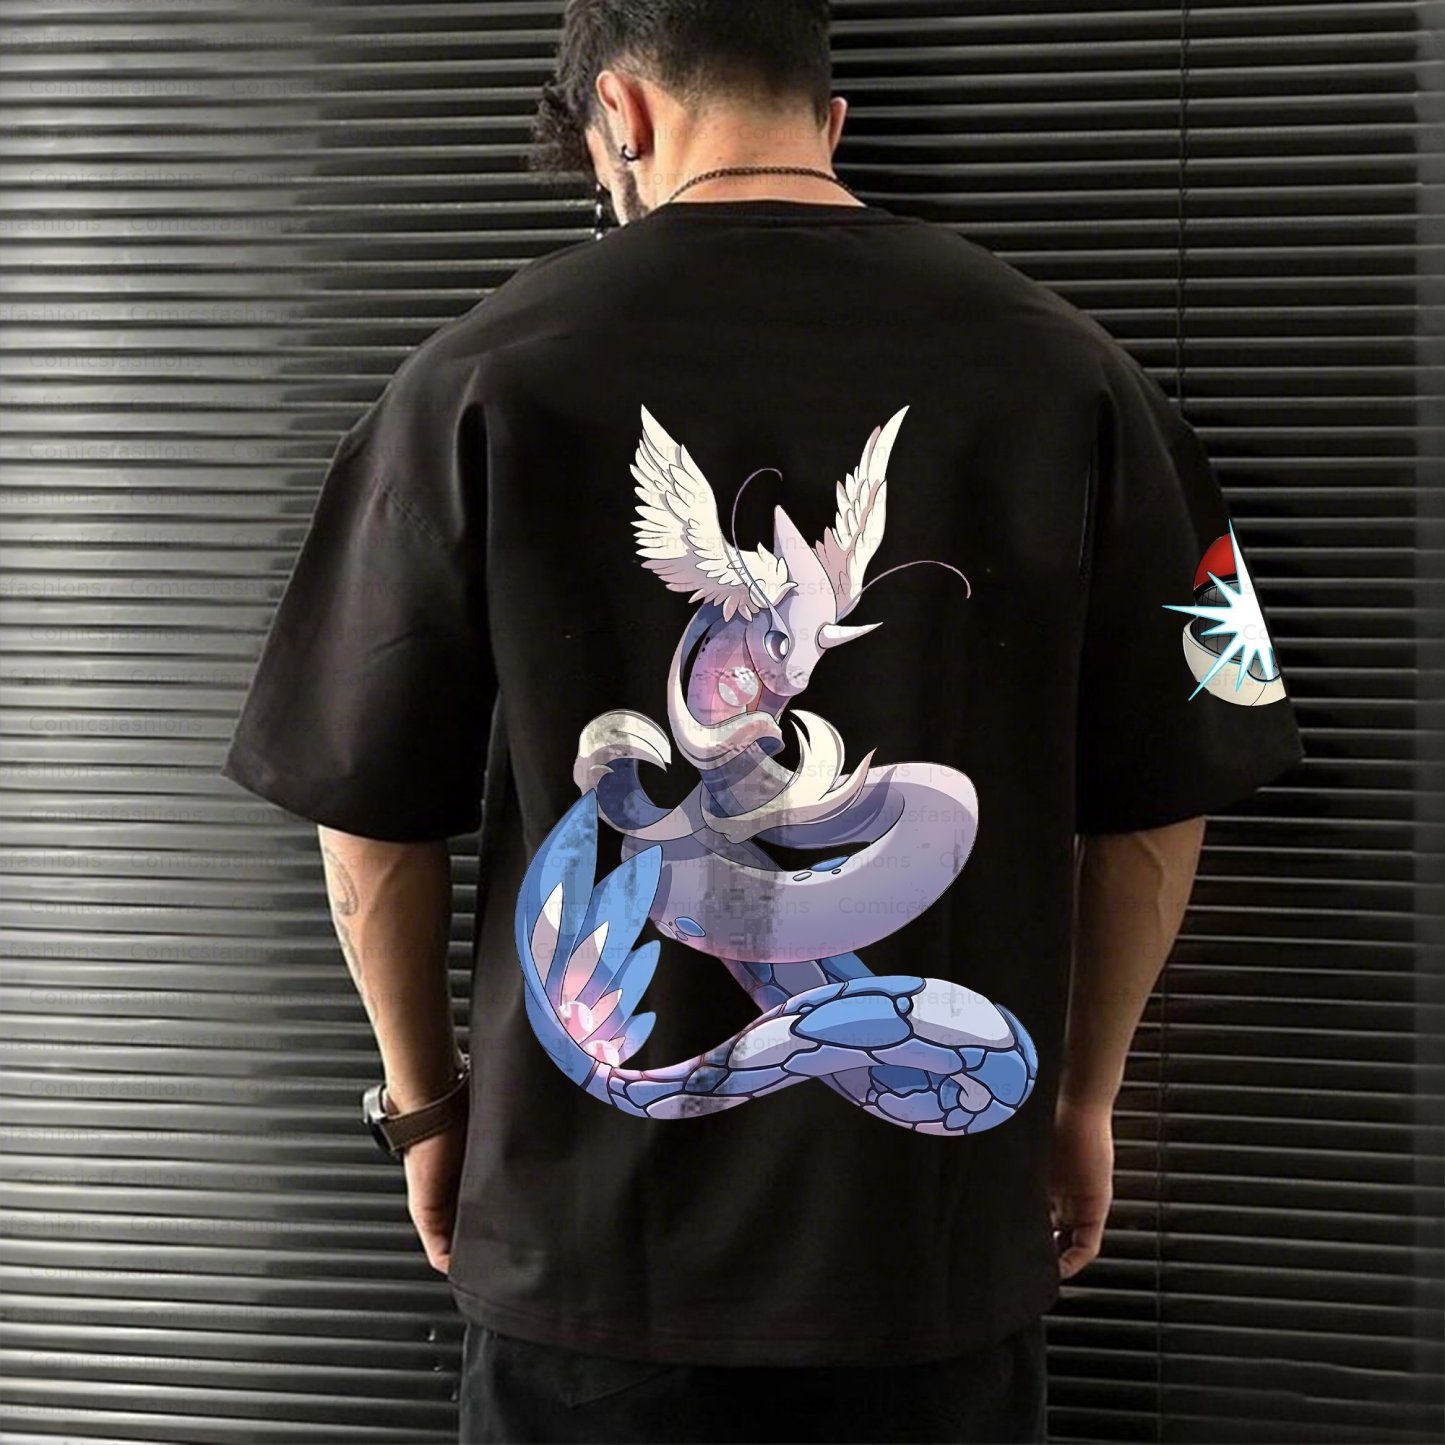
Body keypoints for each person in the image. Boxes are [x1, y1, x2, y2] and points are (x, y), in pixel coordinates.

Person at [218, 3, 1307, 1441]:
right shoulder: (1081, 377)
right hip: (932, 1255)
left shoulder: (470, 379)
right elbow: (1165, 799)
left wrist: (426, 1114)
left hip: (587, 1263)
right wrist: (1081, 1100)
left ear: (621, 114)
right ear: (829, 119)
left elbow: (365, 823)